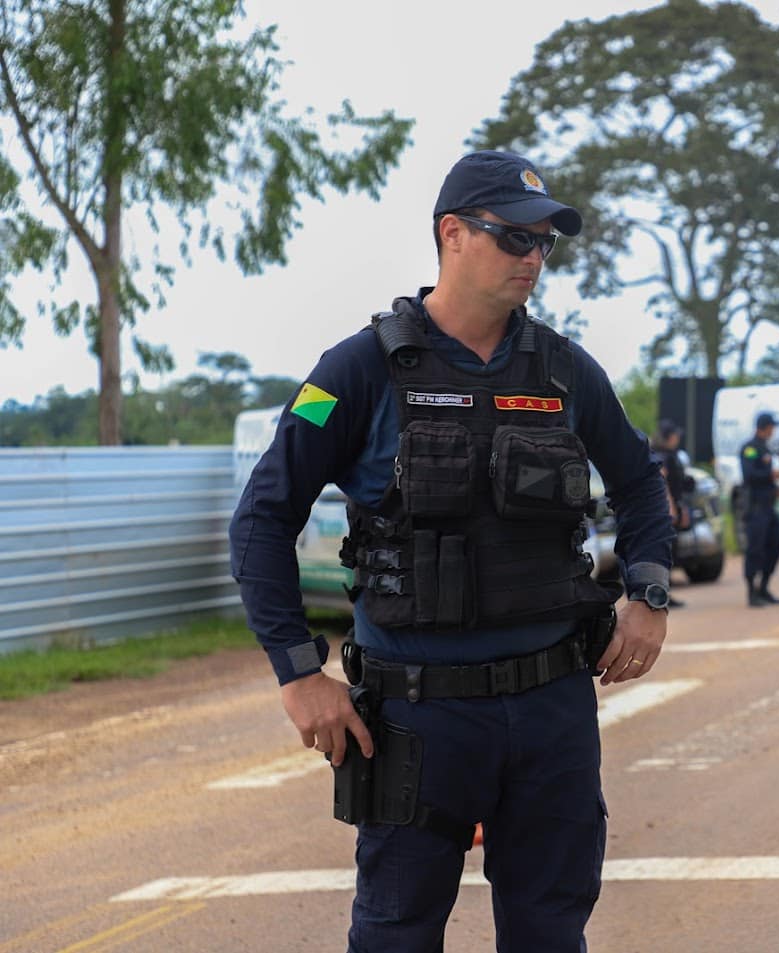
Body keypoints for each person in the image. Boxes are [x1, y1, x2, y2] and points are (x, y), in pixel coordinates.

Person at [229, 149, 675, 952]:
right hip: (418, 718)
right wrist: (298, 673)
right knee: (396, 934)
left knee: (551, 932)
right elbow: (263, 517)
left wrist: (647, 595)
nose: (533, 257)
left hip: (551, 711)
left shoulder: (565, 370)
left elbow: (642, 485)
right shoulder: (355, 372)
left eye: (545, 242)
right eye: (515, 237)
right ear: (452, 234)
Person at [740, 411, 779, 607]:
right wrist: (770, 475)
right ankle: (752, 592)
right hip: (756, 509)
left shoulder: (766, 447)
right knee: (755, 550)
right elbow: (749, 474)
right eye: (772, 426)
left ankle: (764, 587)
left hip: (768, 507)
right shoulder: (750, 448)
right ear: (765, 427)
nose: (773, 430)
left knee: (775, 547)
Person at [652, 419, 689, 608]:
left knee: (671, 552)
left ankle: (665, 594)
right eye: (675, 435)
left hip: (670, 507)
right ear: (668, 437)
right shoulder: (663, 456)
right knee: (665, 552)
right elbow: (663, 481)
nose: (678, 438)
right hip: (665, 510)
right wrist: (672, 507)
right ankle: (661, 595)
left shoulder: (670, 455)